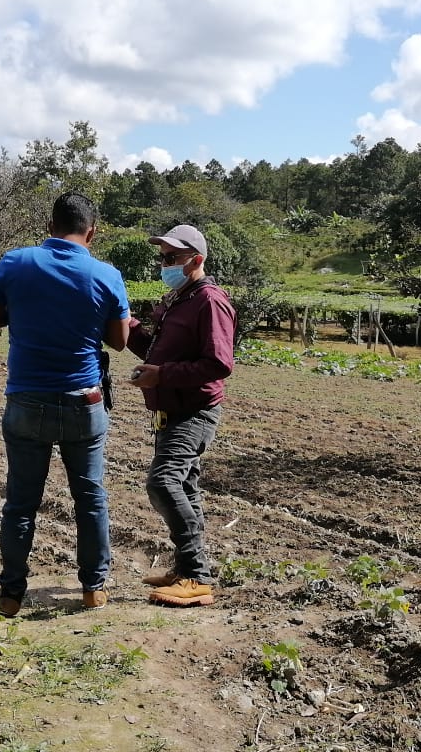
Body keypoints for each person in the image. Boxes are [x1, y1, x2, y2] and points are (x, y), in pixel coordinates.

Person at [0, 192, 130, 618]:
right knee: (90, 498)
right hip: (84, 401)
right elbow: (119, 341)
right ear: (91, 232)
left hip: (26, 400)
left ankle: (10, 594)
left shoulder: (15, 262)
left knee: (21, 502)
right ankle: (93, 588)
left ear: (49, 227)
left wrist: (25, 312)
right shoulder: (106, 274)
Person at [128, 223, 235, 607]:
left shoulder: (209, 301)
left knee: (163, 483)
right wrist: (128, 324)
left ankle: (196, 578)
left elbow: (219, 363)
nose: (164, 264)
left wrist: (163, 375)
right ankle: (186, 569)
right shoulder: (180, 298)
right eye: (162, 257)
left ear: (196, 259)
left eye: (172, 257)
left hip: (193, 411)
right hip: (170, 410)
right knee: (185, 488)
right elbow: (154, 351)